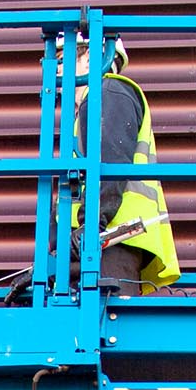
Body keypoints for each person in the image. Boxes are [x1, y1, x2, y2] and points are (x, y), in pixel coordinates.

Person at [74, 31, 180, 294]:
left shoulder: (108, 93)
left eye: (63, 59)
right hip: (100, 243)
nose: (55, 70)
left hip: (111, 241)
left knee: (102, 326)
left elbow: (109, 163)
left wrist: (92, 225)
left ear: (90, 58)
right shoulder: (95, 105)